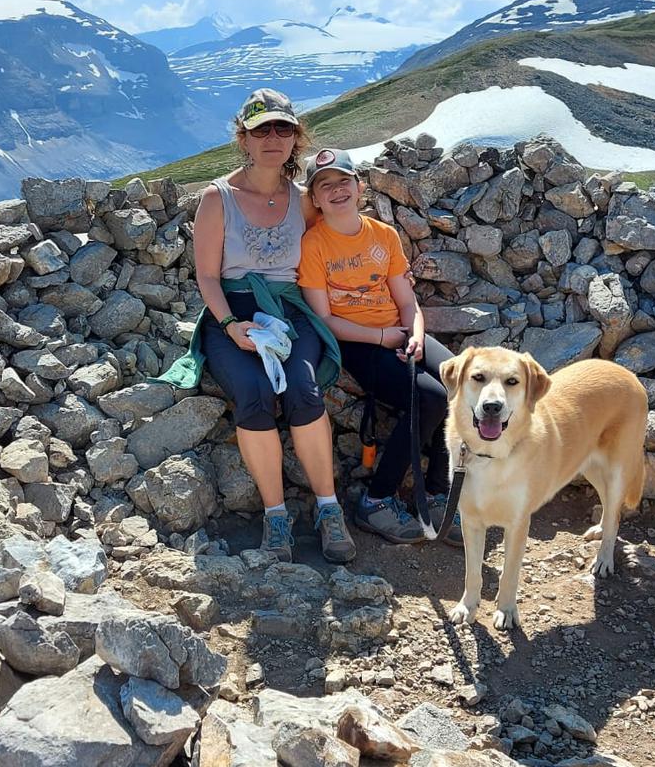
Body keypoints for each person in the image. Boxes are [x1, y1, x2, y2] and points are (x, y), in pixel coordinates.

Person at [157, 89, 356, 564]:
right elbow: (207, 275)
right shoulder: (217, 198)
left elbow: (337, 240)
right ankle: (276, 516)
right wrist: (229, 326)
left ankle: (329, 510)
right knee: (253, 392)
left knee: (303, 390)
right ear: (243, 139)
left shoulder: (304, 201)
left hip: (287, 310)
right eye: (261, 129)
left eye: (282, 128)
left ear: (295, 139)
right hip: (234, 313)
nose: (273, 137)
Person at [297, 148, 462, 547]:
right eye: (325, 185)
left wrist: (417, 334)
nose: (336, 190)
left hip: (399, 332)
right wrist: (382, 338)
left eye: (343, 182)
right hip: (357, 342)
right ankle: (377, 499)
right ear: (315, 199)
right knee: (429, 398)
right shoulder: (314, 245)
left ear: (359, 187)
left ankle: (440, 494)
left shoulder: (383, 235)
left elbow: (407, 302)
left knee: (461, 382)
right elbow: (325, 320)